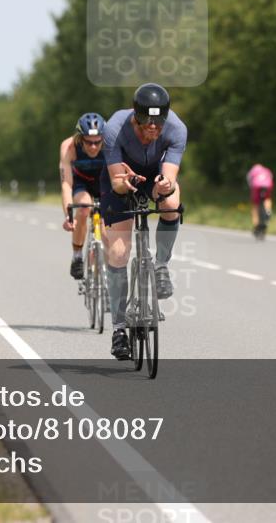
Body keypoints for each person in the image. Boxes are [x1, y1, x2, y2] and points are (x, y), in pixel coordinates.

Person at [100, 83, 186, 360]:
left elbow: (170, 176)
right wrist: (125, 184)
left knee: (171, 203)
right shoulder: (114, 128)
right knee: (118, 252)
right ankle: (119, 329)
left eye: (158, 122)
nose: (153, 128)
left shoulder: (176, 129)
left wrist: (164, 187)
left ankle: (160, 266)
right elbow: (116, 181)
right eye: (147, 122)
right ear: (135, 116)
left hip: (153, 175)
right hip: (120, 177)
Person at [59, 113, 107, 279]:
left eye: (97, 142)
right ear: (80, 139)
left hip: (103, 183)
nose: (93, 147)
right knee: (84, 208)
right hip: (81, 183)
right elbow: (66, 184)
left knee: (106, 222)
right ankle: (77, 256)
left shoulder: (111, 144)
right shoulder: (69, 147)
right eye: (88, 142)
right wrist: (68, 216)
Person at [247, 163, 274, 238]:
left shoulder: (252, 171)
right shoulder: (267, 170)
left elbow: (249, 182)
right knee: (267, 199)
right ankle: (268, 210)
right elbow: (271, 177)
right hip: (268, 185)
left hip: (256, 186)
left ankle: (256, 225)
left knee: (255, 205)